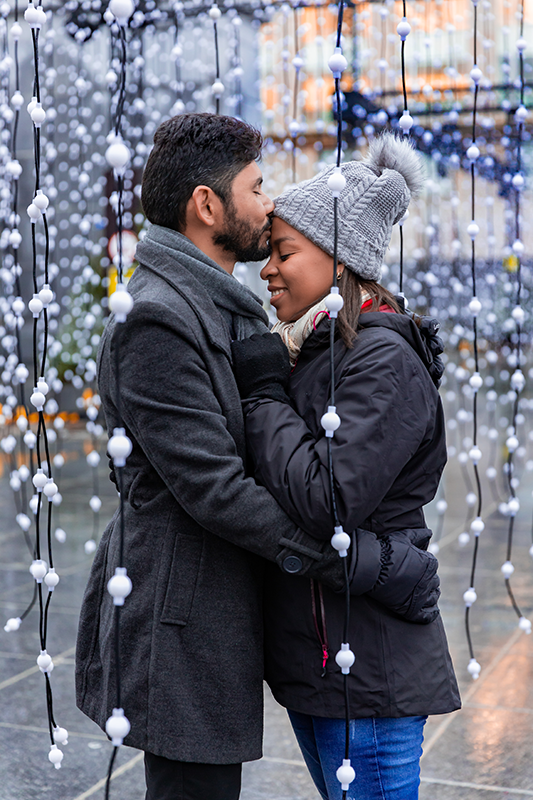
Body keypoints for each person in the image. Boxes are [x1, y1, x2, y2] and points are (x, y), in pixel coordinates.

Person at [75, 113, 354, 800]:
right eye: (256, 188)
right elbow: (215, 488)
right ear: (207, 205)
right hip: (179, 619)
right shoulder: (156, 317)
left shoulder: (221, 303)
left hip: (214, 603)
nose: (268, 202)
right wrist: (336, 556)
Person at [231, 133, 461, 800]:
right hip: (325, 667)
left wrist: (264, 396)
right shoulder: (318, 350)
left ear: (340, 261)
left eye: (284, 254)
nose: (267, 272)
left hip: (371, 674)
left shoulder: (381, 360)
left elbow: (327, 497)